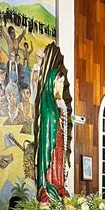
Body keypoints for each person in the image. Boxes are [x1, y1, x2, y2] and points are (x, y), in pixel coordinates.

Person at [36, 68, 70, 202]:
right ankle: (48, 188)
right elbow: (49, 116)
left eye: (62, 83)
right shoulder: (46, 98)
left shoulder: (59, 102)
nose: (61, 86)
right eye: (59, 82)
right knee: (51, 163)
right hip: (49, 140)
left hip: (59, 140)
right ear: (52, 82)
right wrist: (57, 114)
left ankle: (59, 186)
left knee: (59, 163)